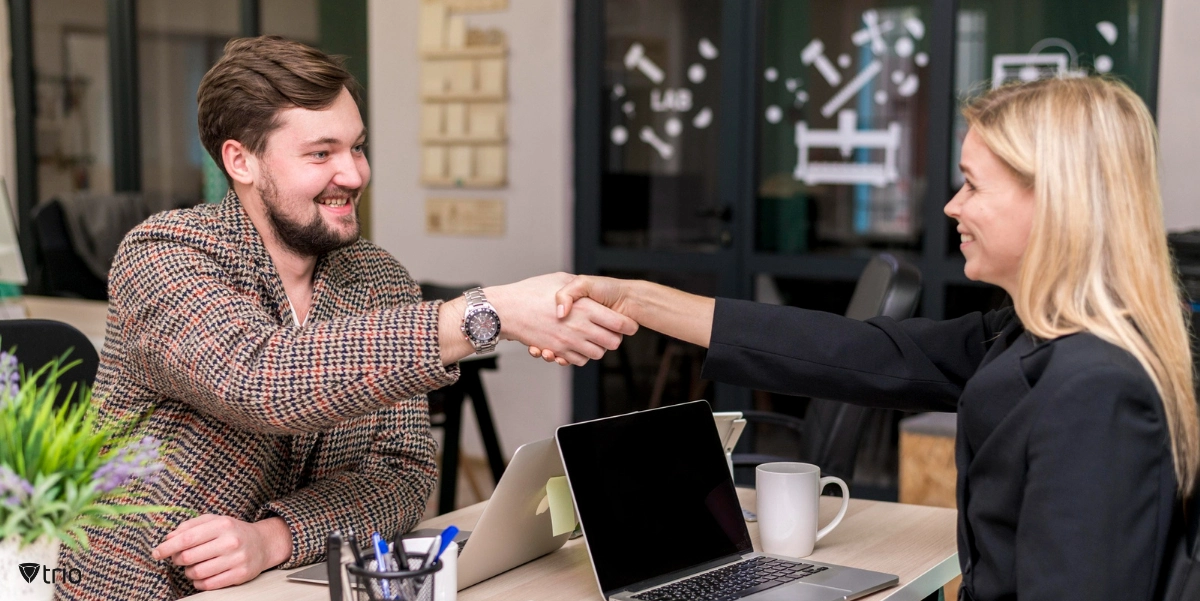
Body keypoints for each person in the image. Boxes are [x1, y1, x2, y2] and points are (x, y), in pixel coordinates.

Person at [535, 76, 1200, 600]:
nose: (951, 207)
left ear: (1055, 200)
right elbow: (857, 351)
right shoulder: (1030, 335)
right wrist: (638, 299)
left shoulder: (1096, 385)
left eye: (971, 184)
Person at [56, 36, 635, 600]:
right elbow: (261, 381)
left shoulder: (377, 277)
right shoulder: (164, 254)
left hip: (282, 581)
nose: (355, 174)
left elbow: (402, 474)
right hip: (143, 586)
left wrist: (273, 537)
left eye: (356, 147)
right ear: (241, 161)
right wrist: (489, 313)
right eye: (321, 153)